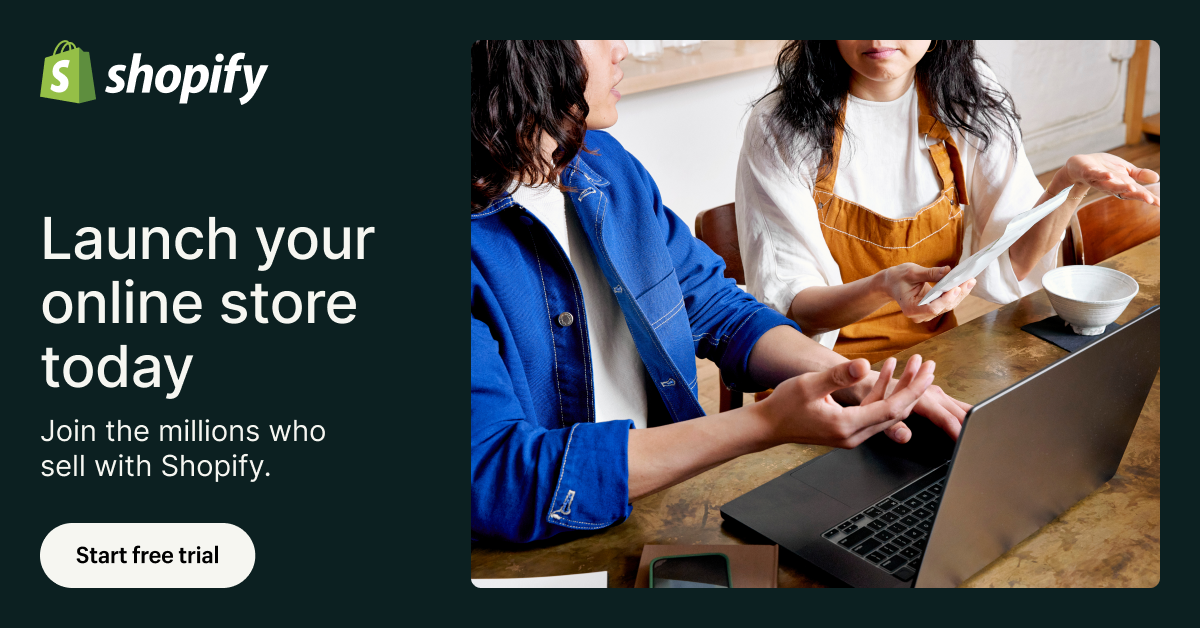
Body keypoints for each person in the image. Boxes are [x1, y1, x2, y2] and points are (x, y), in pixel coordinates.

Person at [471, 40, 971, 544]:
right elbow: (498, 478)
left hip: (653, 506)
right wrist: (763, 425)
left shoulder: (605, 166)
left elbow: (715, 308)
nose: (620, 49)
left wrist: (847, 378)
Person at [736, 40, 1160, 363]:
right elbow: (793, 308)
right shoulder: (780, 125)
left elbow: (1014, 262)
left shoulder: (965, 96)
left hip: (933, 354)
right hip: (816, 367)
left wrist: (1069, 185)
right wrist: (884, 286)